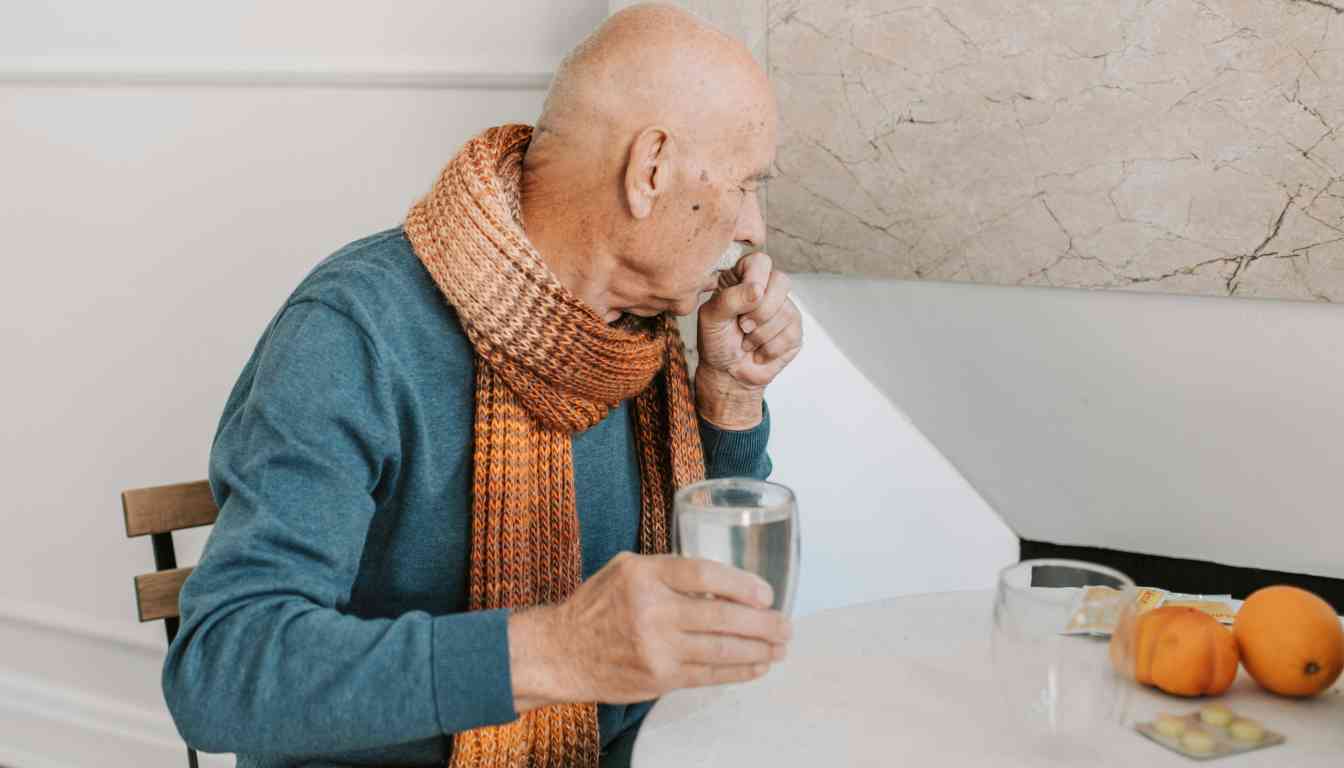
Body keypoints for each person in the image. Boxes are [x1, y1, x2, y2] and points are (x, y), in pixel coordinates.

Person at [162, 4, 803, 767]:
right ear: (650, 170)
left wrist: (728, 397)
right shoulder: (353, 331)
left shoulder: (642, 339)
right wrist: (555, 651)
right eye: (746, 184)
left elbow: (703, 609)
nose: (754, 227)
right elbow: (220, 671)